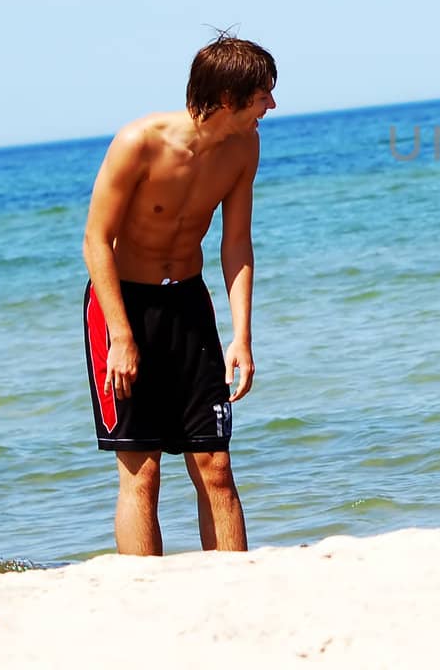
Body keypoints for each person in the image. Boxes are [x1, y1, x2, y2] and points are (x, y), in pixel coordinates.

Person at [81, 33, 277, 554]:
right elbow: (95, 240)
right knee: (141, 469)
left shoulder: (244, 147)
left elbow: (236, 243)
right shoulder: (138, 144)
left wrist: (243, 337)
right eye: (263, 96)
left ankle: (236, 586)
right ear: (230, 99)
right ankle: (145, 595)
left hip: (187, 302)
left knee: (216, 466)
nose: (272, 106)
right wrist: (121, 337)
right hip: (122, 305)